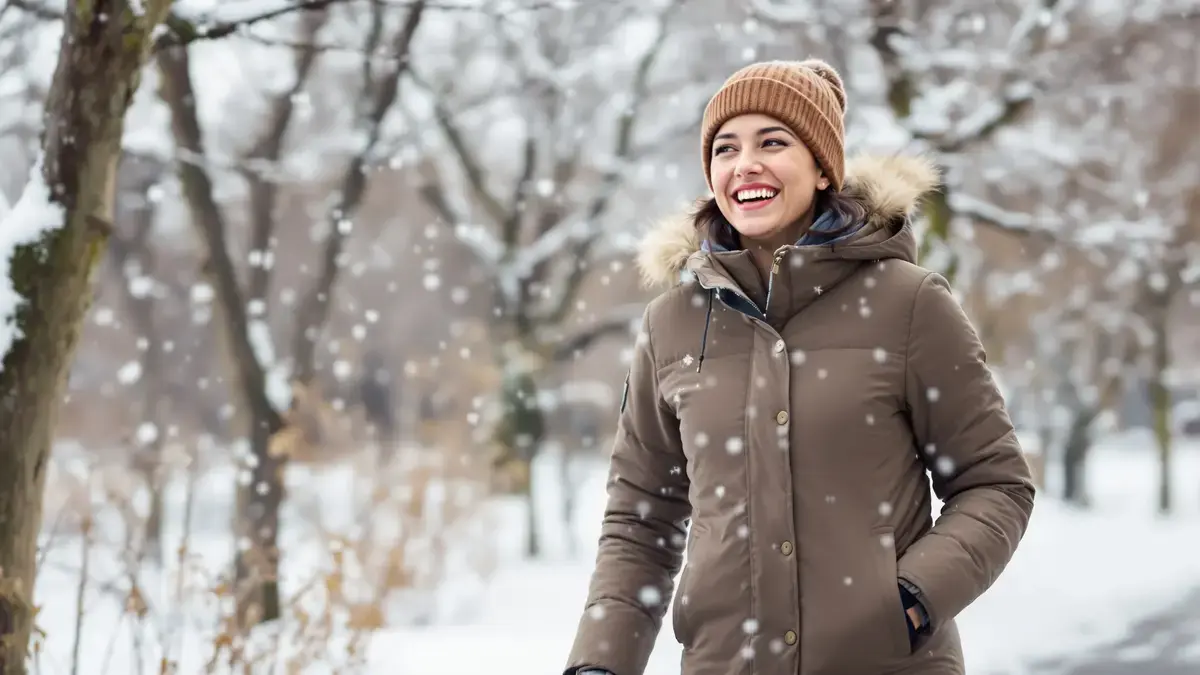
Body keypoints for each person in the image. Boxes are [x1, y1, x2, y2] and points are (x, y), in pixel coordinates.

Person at [562, 59, 1036, 675]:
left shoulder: (908, 303)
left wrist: (909, 602)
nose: (744, 164)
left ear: (822, 169)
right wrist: (600, 662)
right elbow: (641, 518)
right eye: (726, 148)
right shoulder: (672, 323)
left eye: (772, 142)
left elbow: (996, 483)